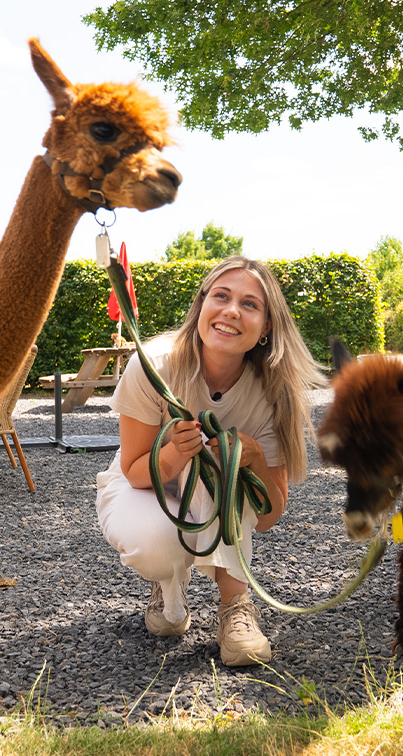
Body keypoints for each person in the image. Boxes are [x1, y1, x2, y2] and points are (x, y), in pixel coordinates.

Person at [95, 256, 326, 666]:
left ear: (266, 328)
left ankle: (236, 607)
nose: (231, 310)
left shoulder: (276, 392)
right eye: (220, 296)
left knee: (222, 469)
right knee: (156, 550)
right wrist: (171, 455)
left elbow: (270, 513)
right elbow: (133, 469)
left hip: (218, 490)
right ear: (201, 306)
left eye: (250, 304)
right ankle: (168, 591)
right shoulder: (154, 364)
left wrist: (251, 457)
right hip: (144, 484)